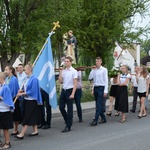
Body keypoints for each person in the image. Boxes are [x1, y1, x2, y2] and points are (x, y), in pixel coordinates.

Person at [15, 63, 42, 139]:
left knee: (27, 116)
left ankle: (22, 133)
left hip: (32, 100)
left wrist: (22, 94)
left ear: (30, 70)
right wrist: (22, 90)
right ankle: (35, 130)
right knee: (32, 115)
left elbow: (32, 91)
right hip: (27, 99)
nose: (24, 70)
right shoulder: (27, 78)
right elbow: (27, 88)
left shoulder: (34, 79)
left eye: (26, 69)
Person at [58, 56, 77, 132]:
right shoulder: (64, 71)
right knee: (61, 107)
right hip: (64, 90)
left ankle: (68, 125)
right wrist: (60, 72)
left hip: (70, 90)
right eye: (65, 61)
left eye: (67, 61)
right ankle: (67, 119)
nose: (66, 63)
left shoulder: (73, 71)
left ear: (70, 62)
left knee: (70, 109)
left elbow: (75, 83)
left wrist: (73, 93)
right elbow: (60, 81)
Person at [89, 57, 108, 126]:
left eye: (98, 61)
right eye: (96, 61)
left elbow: (106, 80)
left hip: (101, 87)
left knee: (98, 105)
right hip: (96, 87)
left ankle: (95, 120)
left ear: (101, 62)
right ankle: (103, 118)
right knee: (97, 104)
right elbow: (90, 78)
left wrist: (105, 90)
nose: (97, 62)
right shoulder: (95, 70)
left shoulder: (104, 70)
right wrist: (92, 70)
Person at [4, 66, 21, 135]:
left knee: (15, 114)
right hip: (7, 98)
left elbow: (13, 89)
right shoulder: (6, 79)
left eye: (6, 69)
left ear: (10, 70)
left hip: (13, 98)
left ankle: (16, 129)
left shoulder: (14, 79)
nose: (5, 71)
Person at [0, 72, 14, 149]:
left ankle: (7, 143)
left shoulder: (6, 87)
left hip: (5, 110)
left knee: (5, 128)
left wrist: (1, 98)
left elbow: (8, 99)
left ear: (1, 78)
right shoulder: (1, 86)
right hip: (0, 110)